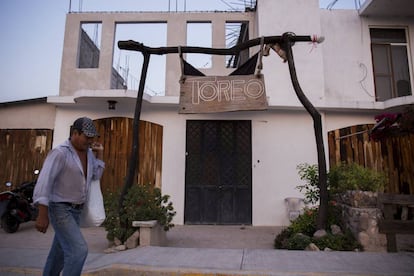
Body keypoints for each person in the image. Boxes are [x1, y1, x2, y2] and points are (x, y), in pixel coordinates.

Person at [33, 117, 105, 276]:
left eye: (92, 137)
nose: (90, 141)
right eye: (87, 137)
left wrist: (99, 155)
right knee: (78, 251)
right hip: (60, 209)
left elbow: (95, 176)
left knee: (58, 255)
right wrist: (42, 214)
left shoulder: (88, 154)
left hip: (76, 211)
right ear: (75, 133)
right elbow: (45, 181)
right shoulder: (60, 153)